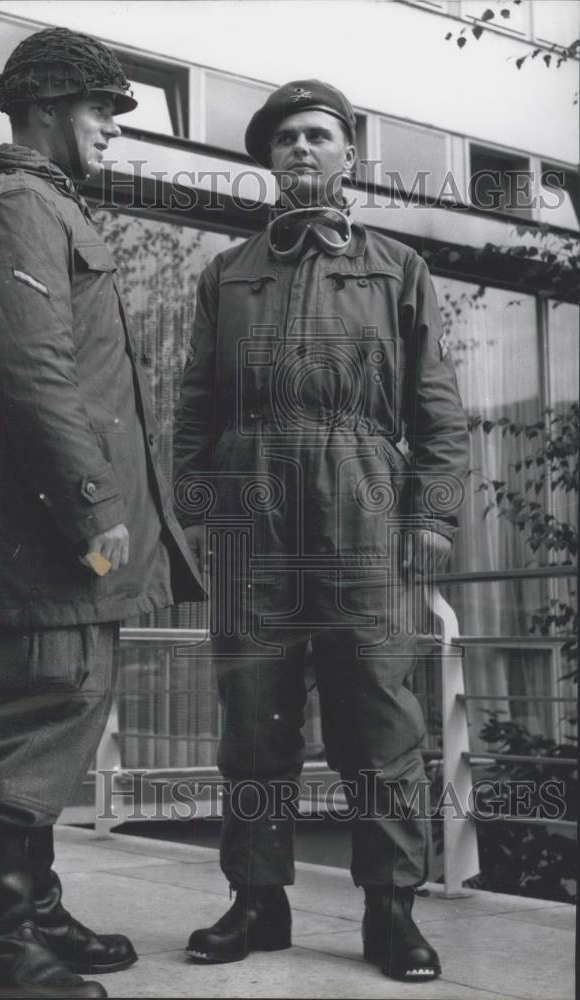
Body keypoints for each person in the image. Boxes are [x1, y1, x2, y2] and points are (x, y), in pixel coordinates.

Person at [0, 27, 205, 1000]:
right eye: (102, 112)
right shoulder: (14, 205)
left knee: (58, 708)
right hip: (40, 521)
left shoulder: (35, 204)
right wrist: (90, 502)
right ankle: (4, 951)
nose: (113, 133)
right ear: (45, 105)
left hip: (34, 517)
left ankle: (33, 911)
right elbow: (28, 370)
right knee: (41, 705)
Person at [173, 79, 469, 983]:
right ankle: (257, 900)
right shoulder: (226, 274)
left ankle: (390, 911)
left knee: (377, 714)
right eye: (285, 138)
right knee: (252, 725)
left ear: (347, 156)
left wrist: (429, 513)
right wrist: (199, 510)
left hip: (361, 506)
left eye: (319, 136)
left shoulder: (396, 267)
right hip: (250, 511)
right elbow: (192, 405)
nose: (301, 149)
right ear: (268, 158)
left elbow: (437, 409)